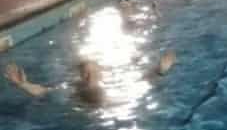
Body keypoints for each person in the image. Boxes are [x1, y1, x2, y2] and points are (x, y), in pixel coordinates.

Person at [4, 52, 176, 106]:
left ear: (102, 71)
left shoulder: (115, 81)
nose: (90, 74)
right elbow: (43, 91)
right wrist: (23, 84)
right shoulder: (74, 87)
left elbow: (142, 81)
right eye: (87, 71)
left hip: (112, 107)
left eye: (94, 70)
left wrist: (159, 71)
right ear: (81, 75)